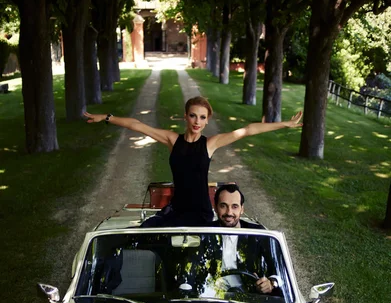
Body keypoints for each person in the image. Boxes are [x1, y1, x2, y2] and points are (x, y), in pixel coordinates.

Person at [84, 97, 302, 227]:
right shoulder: (172, 140)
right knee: (145, 233)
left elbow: (248, 130)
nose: (197, 121)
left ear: (207, 120)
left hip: (201, 213)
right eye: (193, 116)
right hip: (176, 210)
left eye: (202, 117)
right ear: (186, 116)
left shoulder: (210, 144)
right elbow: (137, 125)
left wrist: (285, 124)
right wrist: (106, 117)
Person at [212, 183, 281, 294]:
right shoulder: (205, 232)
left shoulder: (258, 234)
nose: (229, 212)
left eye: (235, 206)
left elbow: (280, 265)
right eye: (223, 206)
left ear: (242, 209)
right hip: (212, 293)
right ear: (215, 207)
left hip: (251, 295)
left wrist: (272, 282)